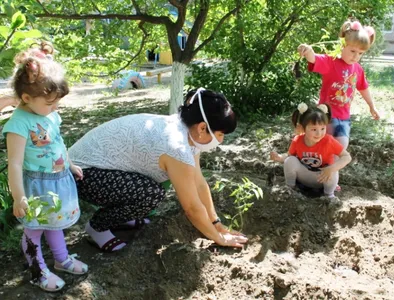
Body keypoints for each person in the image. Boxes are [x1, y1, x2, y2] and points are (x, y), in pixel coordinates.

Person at [68, 88, 248, 252]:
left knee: (154, 187)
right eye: (220, 134)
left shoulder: (187, 132)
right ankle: (97, 227)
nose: (221, 140)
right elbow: (192, 207)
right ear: (202, 127)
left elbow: (199, 183)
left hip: (103, 170)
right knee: (150, 194)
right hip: (81, 174)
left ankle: (120, 217)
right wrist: (218, 238)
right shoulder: (176, 146)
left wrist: (216, 223)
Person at [3, 47, 88, 292]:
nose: (55, 107)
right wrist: (19, 196)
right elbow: (16, 164)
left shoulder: (49, 115)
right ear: (27, 98)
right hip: (37, 187)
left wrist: (69, 164)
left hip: (58, 180)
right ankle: (38, 270)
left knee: (55, 222)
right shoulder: (18, 124)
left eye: (57, 102)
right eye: (50, 102)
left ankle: (61, 259)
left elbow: (58, 142)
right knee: (34, 229)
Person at [298, 19, 379, 151]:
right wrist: (308, 51)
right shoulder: (331, 62)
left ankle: (331, 169)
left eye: (360, 53)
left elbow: (363, 88)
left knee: (341, 147)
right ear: (342, 45)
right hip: (326, 117)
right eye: (353, 51)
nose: (356, 56)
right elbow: (315, 58)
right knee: (321, 146)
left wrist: (371, 106)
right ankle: (316, 167)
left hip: (344, 117)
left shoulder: (358, 69)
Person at [270, 103, 352, 199]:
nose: (319, 133)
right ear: (303, 128)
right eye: (314, 129)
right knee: (290, 160)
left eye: (322, 128)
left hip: (323, 177)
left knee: (333, 170)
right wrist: (279, 157)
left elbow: (347, 157)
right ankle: (290, 189)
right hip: (304, 177)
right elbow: (288, 156)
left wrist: (331, 168)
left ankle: (329, 196)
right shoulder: (298, 140)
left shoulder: (329, 141)